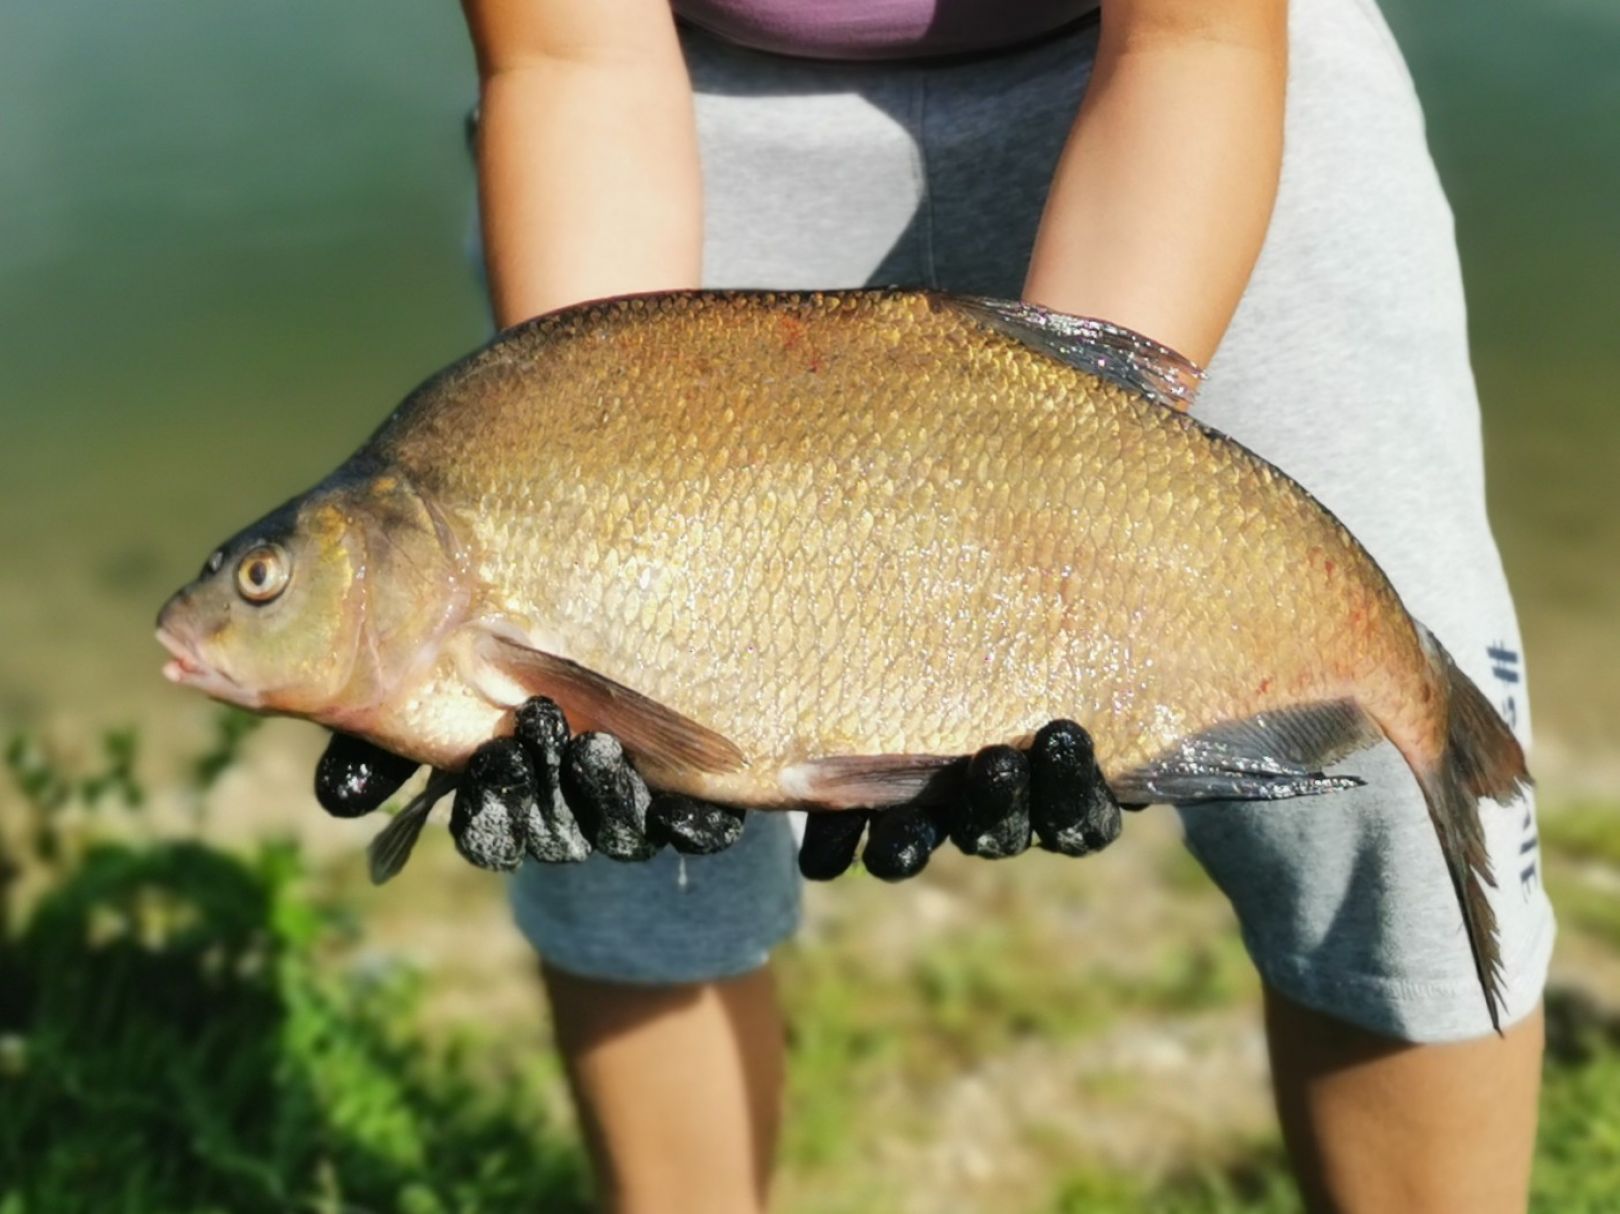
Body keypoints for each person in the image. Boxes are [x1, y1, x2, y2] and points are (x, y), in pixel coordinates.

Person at [411, 0, 1555, 1209]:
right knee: (594, 773)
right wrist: (586, 566)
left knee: (1386, 766)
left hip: (1194, 73)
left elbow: (1195, 45)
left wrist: (1066, 517)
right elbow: (573, 57)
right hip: (678, 105)